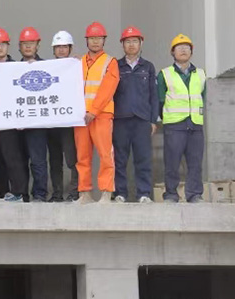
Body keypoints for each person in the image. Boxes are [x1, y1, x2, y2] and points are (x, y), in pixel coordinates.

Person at [75, 22, 120, 204]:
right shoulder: (78, 63)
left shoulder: (110, 62)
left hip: (101, 115)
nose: (95, 41)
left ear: (104, 40)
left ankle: (106, 193)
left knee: (105, 155)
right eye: (92, 38)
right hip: (80, 117)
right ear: (87, 40)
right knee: (82, 157)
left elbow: (107, 89)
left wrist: (93, 111)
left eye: (98, 38)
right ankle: (84, 193)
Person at [113, 26, 159, 203]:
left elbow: (154, 95)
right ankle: (120, 193)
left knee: (143, 159)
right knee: (119, 159)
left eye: (134, 41)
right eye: (128, 41)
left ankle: (144, 193)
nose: (131, 45)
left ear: (141, 44)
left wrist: (153, 120)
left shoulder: (148, 67)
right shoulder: (116, 66)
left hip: (142, 120)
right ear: (122, 45)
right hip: (120, 120)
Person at [159, 34, 206, 203]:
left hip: (195, 125)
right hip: (174, 125)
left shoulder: (201, 74)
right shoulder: (165, 74)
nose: (183, 50)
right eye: (179, 47)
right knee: (172, 162)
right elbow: (160, 100)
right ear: (172, 52)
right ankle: (171, 194)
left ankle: (194, 194)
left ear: (191, 52)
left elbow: (202, 97)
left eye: (187, 47)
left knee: (195, 162)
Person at [0, 28, 29, 202]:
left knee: (13, 156)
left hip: (11, 119)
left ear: (8, 46)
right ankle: (2, 191)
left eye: (2, 44)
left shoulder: (17, 67)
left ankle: (19, 192)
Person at [47, 31, 79, 202]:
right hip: (51, 122)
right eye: (58, 47)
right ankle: (57, 193)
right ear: (53, 49)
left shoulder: (77, 66)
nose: (61, 50)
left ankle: (74, 192)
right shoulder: (46, 67)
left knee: (72, 160)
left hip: (69, 121)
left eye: (64, 46)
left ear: (70, 48)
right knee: (54, 160)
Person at [18, 27, 49, 202]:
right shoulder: (12, 68)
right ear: (19, 47)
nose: (28, 46)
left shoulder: (48, 67)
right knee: (19, 161)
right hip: (17, 123)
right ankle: (22, 194)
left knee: (38, 161)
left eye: (31, 43)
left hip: (38, 124)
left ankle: (40, 193)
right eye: (24, 43)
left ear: (37, 45)